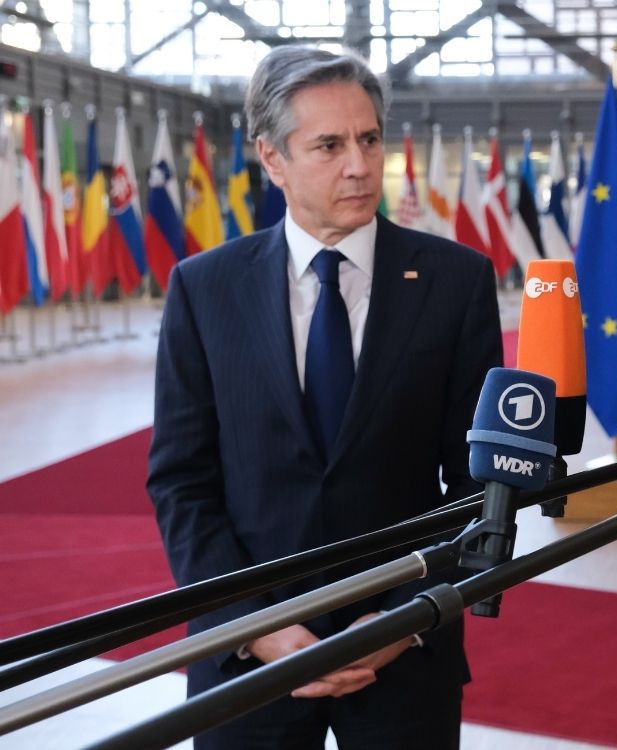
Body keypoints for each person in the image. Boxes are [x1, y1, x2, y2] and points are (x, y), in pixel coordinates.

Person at [148, 46, 502, 749]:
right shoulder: (204, 289)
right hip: (248, 664)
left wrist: (401, 622)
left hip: (407, 657)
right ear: (272, 159)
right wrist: (259, 628)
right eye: (330, 145)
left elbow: (477, 482)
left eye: (369, 139)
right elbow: (183, 483)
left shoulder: (456, 283)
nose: (360, 165)